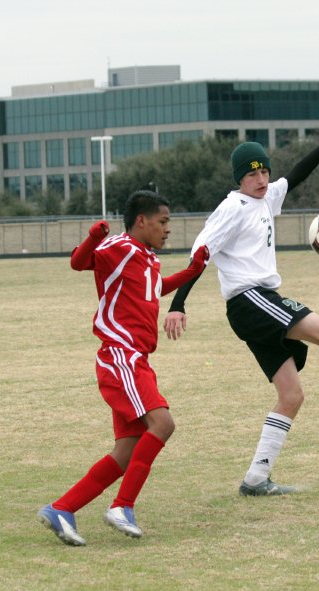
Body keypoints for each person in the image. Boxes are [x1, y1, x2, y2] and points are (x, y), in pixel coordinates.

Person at [163, 117, 319, 498]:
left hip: (257, 303)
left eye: (265, 170)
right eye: (253, 174)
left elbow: (301, 170)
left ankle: (255, 478)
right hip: (250, 300)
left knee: (292, 396)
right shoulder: (232, 207)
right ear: (240, 178)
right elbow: (199, 255)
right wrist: (178, 303)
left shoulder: (268, 197)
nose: (262, 179)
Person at [38, 190, 209, 546]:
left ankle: (62, 509)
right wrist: (93, 237)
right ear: (141, 221)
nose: (168, 230)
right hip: (121, 356)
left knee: (127, 450)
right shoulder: (119, 247)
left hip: (135, 359)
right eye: (162, 222)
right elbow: (78, 262)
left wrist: (191, 272)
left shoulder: (146, 257)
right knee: (163, 424)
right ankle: (122, 506)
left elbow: (153, 288)